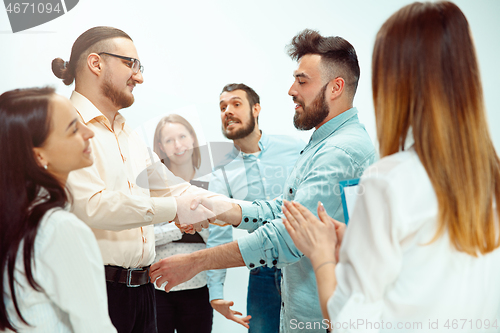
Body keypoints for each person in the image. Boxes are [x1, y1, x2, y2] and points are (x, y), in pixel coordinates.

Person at [282, 1, 500, 331]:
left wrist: (322, 253)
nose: (291, 91)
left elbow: (348, 324)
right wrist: (358, 243)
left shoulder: (388, 182)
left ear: (396, 82)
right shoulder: (491, 178)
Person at [151, 29, 377, 332]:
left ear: (335, 87)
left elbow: (288, 236)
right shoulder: (320, 144)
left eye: (302, 81)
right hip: (288, 294)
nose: (290, 90)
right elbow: (286, 211)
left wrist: (198, 261)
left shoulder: (339, 152)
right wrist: (224, 210)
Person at [51, 26, 220, 332]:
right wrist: (177, 208)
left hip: (143, 292)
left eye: (139, 67)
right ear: (96, 63)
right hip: (97, 289)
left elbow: (169, 185)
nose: (139, 77)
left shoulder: (126, 131)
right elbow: (93, 206)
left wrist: (241, 211)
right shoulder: (65, 123)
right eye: (131, 64)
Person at [0, 87, 116, 332]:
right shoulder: (58, 229)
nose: (89, 133)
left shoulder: (15, 218)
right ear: (39, 155)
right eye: (74, 128)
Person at [207, 83, 304, 331]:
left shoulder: (294, 147)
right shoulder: (222, 173)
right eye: (222, 107)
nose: (227, 111)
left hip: (304, 266)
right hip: (262, 273)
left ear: (256, 109)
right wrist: (216, 292)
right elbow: (219, 234)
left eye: (236, 104)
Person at [152, 114, 213, 333]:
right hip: (157, 290)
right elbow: (146, 238)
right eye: (169, 140)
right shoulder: (152, 188)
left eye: (182, 136)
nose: (178, 145)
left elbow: (214, 238)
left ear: (193, 139)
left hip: (198, 289)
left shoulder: (210, 184)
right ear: (160, 147)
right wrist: (181, 226)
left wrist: (169, 222)